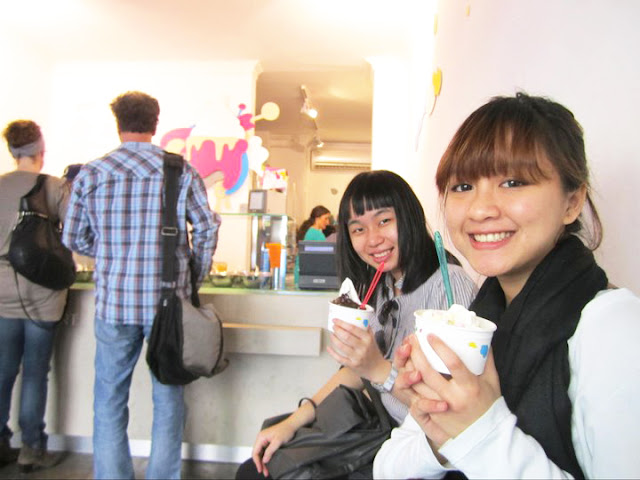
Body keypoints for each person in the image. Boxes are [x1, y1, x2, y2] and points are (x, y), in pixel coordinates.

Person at [373, 93, 640, 479]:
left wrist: (479, 429)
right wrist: (437, 420)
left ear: (572, 202)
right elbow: (388, 466)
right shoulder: (476, 320)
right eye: (462, 186)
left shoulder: (613, 328)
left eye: (513, 182)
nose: (480, 209)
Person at [237, 170, 477, 479]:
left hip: (425, 450)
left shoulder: (449, 286)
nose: (373, 239)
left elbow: (452, 409)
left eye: (384, 221)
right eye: (358, 229)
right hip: (376, 426)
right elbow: (356, 371)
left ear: (409, 217)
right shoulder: (383, 284)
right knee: (257, 468)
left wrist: (377, 368)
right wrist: (295, 420)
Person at [62, 91, 220, 479]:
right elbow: (207, 228)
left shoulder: (92, 173)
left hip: (113, 305)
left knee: (109, 398)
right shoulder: (180, 170)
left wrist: (110, 254)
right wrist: (192, 277)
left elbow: (72, 237)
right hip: (168, 305)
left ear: (118, 124)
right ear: (155, 123)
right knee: (168, 396)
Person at [0, 120, 68, 472]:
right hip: (43, 296)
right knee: (35, 373)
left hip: (2, 295)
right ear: (41, 150)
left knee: (3, 370)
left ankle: (0, 443)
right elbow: (77, 233)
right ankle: (31, 448)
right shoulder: (54, 186)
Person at [294, 205, 332, 285]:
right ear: (317, 219)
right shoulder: (317, 234)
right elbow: (325, 258)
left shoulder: (310, 231)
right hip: (307, 276)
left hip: (301, 274)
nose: (328, 222)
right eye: (325, 218)